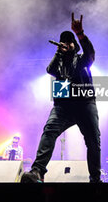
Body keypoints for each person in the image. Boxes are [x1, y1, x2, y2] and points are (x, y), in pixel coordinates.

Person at [21, 13, 101, 183]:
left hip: (84, 103)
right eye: (64, 41)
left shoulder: (81, 60)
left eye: (69, 41)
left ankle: (95, 178)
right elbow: (49, 70)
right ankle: (37, 171)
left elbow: (91, 53)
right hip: (63, 105)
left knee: (93, 140)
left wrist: (80, 35)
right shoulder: (59, 62)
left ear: (74, 45)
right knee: (49, 130)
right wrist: (58, 52)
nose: (66, 44)